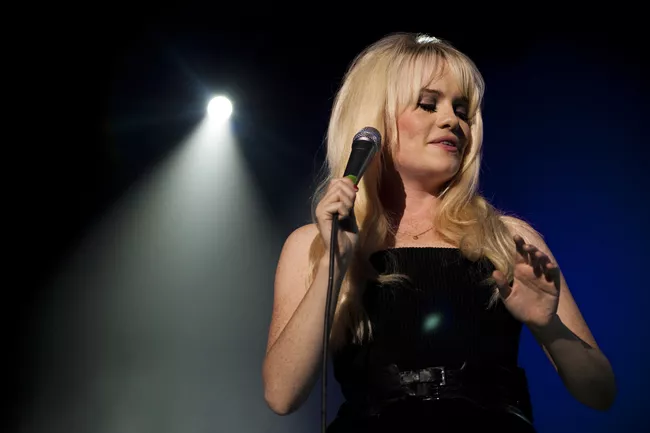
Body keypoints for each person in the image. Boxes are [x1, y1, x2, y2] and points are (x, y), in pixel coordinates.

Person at [262, 32, 616, 432]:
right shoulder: (313, 244)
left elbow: (600, 392)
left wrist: (549, 326)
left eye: (461, 110)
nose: (452, 121)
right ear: (373, 121)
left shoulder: (508, 239)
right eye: (428, 104)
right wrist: (336, 261)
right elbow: (281, 394)